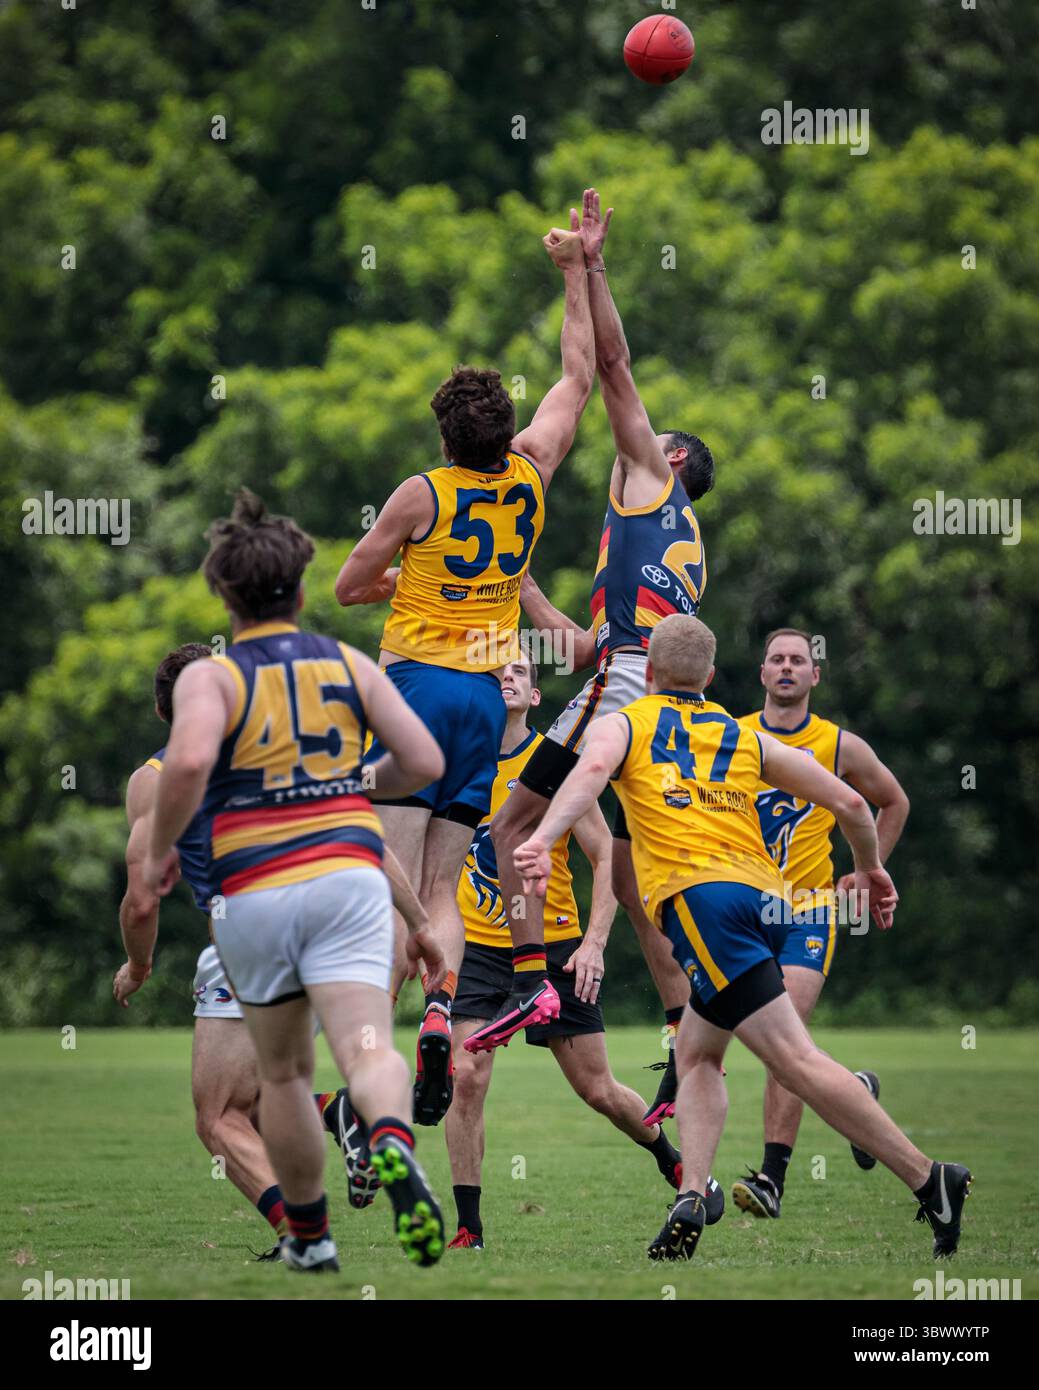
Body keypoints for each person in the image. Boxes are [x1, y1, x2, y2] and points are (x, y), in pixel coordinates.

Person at [514, 614, 972, 1262]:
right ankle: (692, 1194)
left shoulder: (627, 722)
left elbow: (587, 774)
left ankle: (930, 1179)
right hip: (771, 900)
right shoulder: (737, 733)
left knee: (794, 1061)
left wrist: (537, 838)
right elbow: (847, 802)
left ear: (645, 674)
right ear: (709, 675)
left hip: (707, 906)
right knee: (697, 1054)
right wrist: (870, 868)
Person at [141, 490, 448, 1273]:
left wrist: (161, 852)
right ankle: (389, 1139)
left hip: (256, 888)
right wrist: (348, 780)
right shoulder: (345, 663)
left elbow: (186, 762)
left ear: (225, 597)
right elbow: (423, 764)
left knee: (282, 1076)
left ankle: (309, 1235)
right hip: (347, 875)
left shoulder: (213, 677)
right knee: (369, 1042)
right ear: (302, 592)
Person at [333, 220, 595, 1124]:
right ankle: (441, 1011)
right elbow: (579, 378)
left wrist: (409, 576)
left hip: (411, 692)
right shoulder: (531, 472)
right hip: (486, 696)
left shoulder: (422, 493)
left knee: (384, 884)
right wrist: (577, 270)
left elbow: (348, 583)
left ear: (444, 434)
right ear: (505, 429)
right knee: (445, 888)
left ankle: (366, 1084)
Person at [477, 189, 710, 1086]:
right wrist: (527, 588)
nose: (631, 440)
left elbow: (609, 366)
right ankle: (683, 1033)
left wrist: (590, 266)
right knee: (637, 880)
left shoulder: (652, 480)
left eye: (650, 438)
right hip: (626, 685)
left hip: (624, 696)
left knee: (510, 826)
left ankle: (533, 983)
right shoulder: (662, 542)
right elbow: (581, 649)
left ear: (674, 459)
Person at [114, 645, 433, 1250]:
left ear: (164, 713)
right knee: (270, 1098)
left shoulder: (156, 780)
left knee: (220, 1116)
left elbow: (141, 899)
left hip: (257, 936)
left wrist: (137, 965)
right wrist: (421, 924)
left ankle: (304, 1236)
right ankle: (358, 1118)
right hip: (344, 924)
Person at [445, 651, 722, 1246]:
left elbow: (604, 857)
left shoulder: (555, 765)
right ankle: (469, 1228)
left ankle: (669, 1157)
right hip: (477, 950)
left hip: (556, 949)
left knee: (598, 1090)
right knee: (465, 1075)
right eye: (494, 674)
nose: (507, 679)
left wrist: (595, 943)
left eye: (518, 671)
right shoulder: (455, 764)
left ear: (537, 696)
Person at [733, 628, 910, 1218]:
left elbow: (894, 801)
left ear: (815, 676)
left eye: (798, 661)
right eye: (777, 660)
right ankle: (854, 1092)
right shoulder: (730, 736)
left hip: (808, 909)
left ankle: (772, 1180)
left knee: (789, 1035)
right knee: (778, 1043)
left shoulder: (838, 746)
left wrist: (868, 870)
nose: (786, 668)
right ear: (762, 673)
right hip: (743, 908)